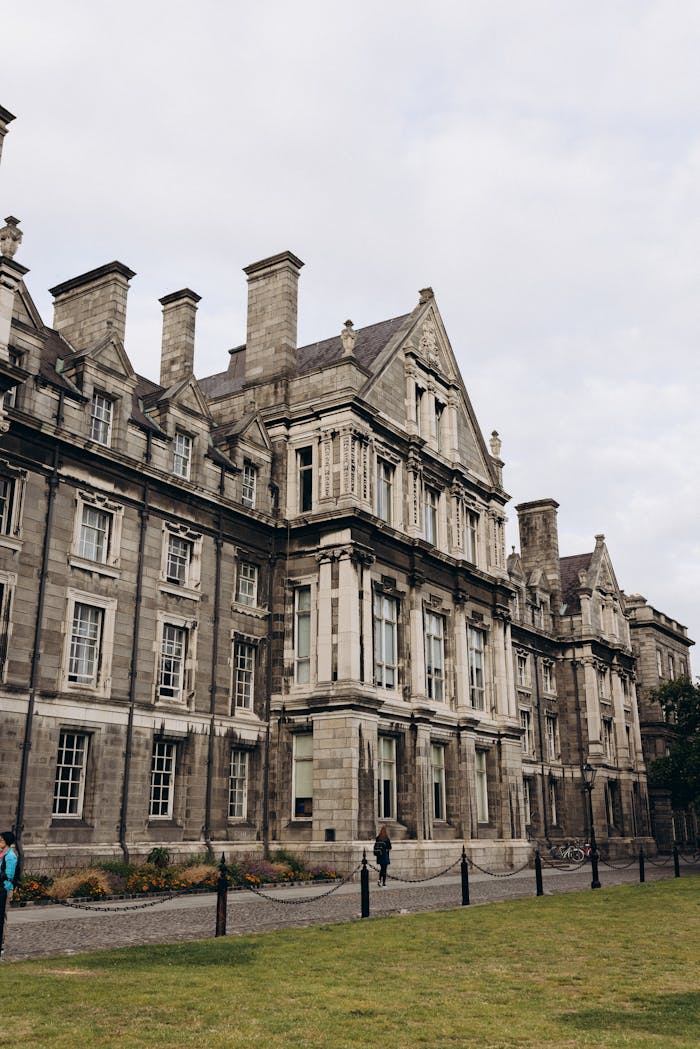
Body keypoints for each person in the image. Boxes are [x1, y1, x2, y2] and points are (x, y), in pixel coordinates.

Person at [0, 830, 18, 959]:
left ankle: (1, 942)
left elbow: (8, 875)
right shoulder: (1, 854)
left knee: (2, 917)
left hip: (5, 890)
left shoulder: (10, 856)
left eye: (1, 840)